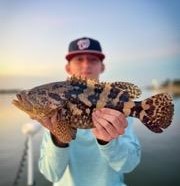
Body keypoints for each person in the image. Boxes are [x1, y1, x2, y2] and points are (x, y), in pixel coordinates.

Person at [38, 37, 141, 186]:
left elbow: (129, 166)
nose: (86, 65)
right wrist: (59, 137)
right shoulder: (52, 115)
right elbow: (51, 174)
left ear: (102, 67)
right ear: (68, 68)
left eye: (92, 60)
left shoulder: (118, 109)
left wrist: (108, 142)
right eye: (79, 59)